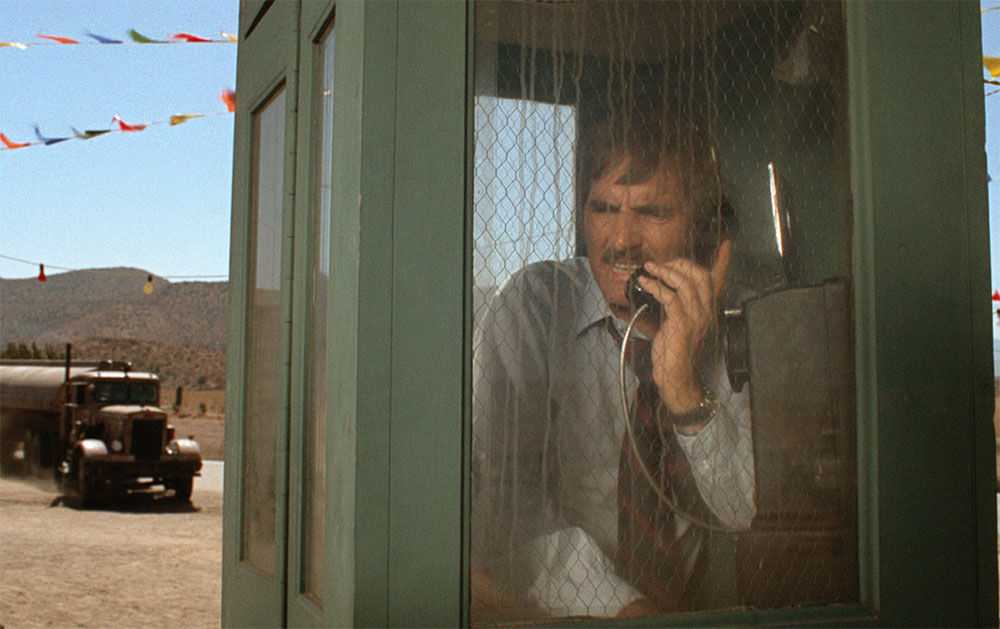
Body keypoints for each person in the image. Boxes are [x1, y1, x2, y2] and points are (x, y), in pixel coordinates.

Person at [471, 110, 756, 621]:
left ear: (702, 230)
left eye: (653, 213)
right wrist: (625, 610)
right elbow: (505, 501)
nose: (621, 239)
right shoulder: (535, 308)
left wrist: (685, 393)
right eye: (603, 209)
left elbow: (750, 514)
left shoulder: (745, 325)